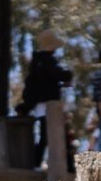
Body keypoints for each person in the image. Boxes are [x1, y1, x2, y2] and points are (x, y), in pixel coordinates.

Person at [15, 30, 73, 169]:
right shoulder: (46, 60)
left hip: (42, 103)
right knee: (50, 135)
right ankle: (45, 164)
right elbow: (58, 74)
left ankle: (39, 163)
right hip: (47, 104)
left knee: (47, 135)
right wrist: (67, 76)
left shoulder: (38, 62)